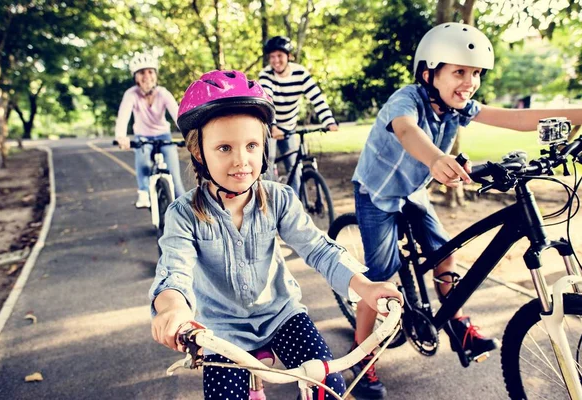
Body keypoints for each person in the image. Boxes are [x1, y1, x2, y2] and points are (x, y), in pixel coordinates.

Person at [350, 22, 582, 400]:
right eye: (459, 71)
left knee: (446, 254)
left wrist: (580, 113)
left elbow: (518, 118)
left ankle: (455, 320)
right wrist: (437, 158)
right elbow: (408, 132)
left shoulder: (460, 107)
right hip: (377, 193)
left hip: (412, 192)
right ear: (429, 73)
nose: (470, 81)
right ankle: (362, 354)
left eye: (475, 73)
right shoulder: (406, 99)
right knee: (379, 278)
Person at [148, 70, 403, 399]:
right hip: (221, 330)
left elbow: (319, 249)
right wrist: (172, 309)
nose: (242, 160)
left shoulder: (279, 199)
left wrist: (365, 286)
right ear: (199, 152)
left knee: (328, 387)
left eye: (252, 145)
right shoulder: (184, 214)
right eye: (224, 148)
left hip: (282, 315)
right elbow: (174, 271)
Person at [258, 36, 339, 194]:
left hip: (289, 127)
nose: (276, 61)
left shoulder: (300, 73)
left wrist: (329, 121)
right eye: (272, 57)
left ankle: (293, 207)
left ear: (289, 56)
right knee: (266, 167)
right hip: (269, 127)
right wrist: (273, 126)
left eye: (280, 56)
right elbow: (267, 100)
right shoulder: (266, 75)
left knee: (295, 168)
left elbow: (316, 97)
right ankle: (266, 204)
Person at [114, 51, 185, 207]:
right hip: (143, 137)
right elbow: (123, 117)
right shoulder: (131, 94)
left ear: (155, 75)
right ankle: (144, 193)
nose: (146, 76)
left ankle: (187, 214)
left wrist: (189, 133)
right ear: (135, 77)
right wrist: (121, 136)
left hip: (164, 136)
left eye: (150, 71)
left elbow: (178, 116)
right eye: (141, 72)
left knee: (175, 178)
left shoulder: (163, 93)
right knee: (143, 161)